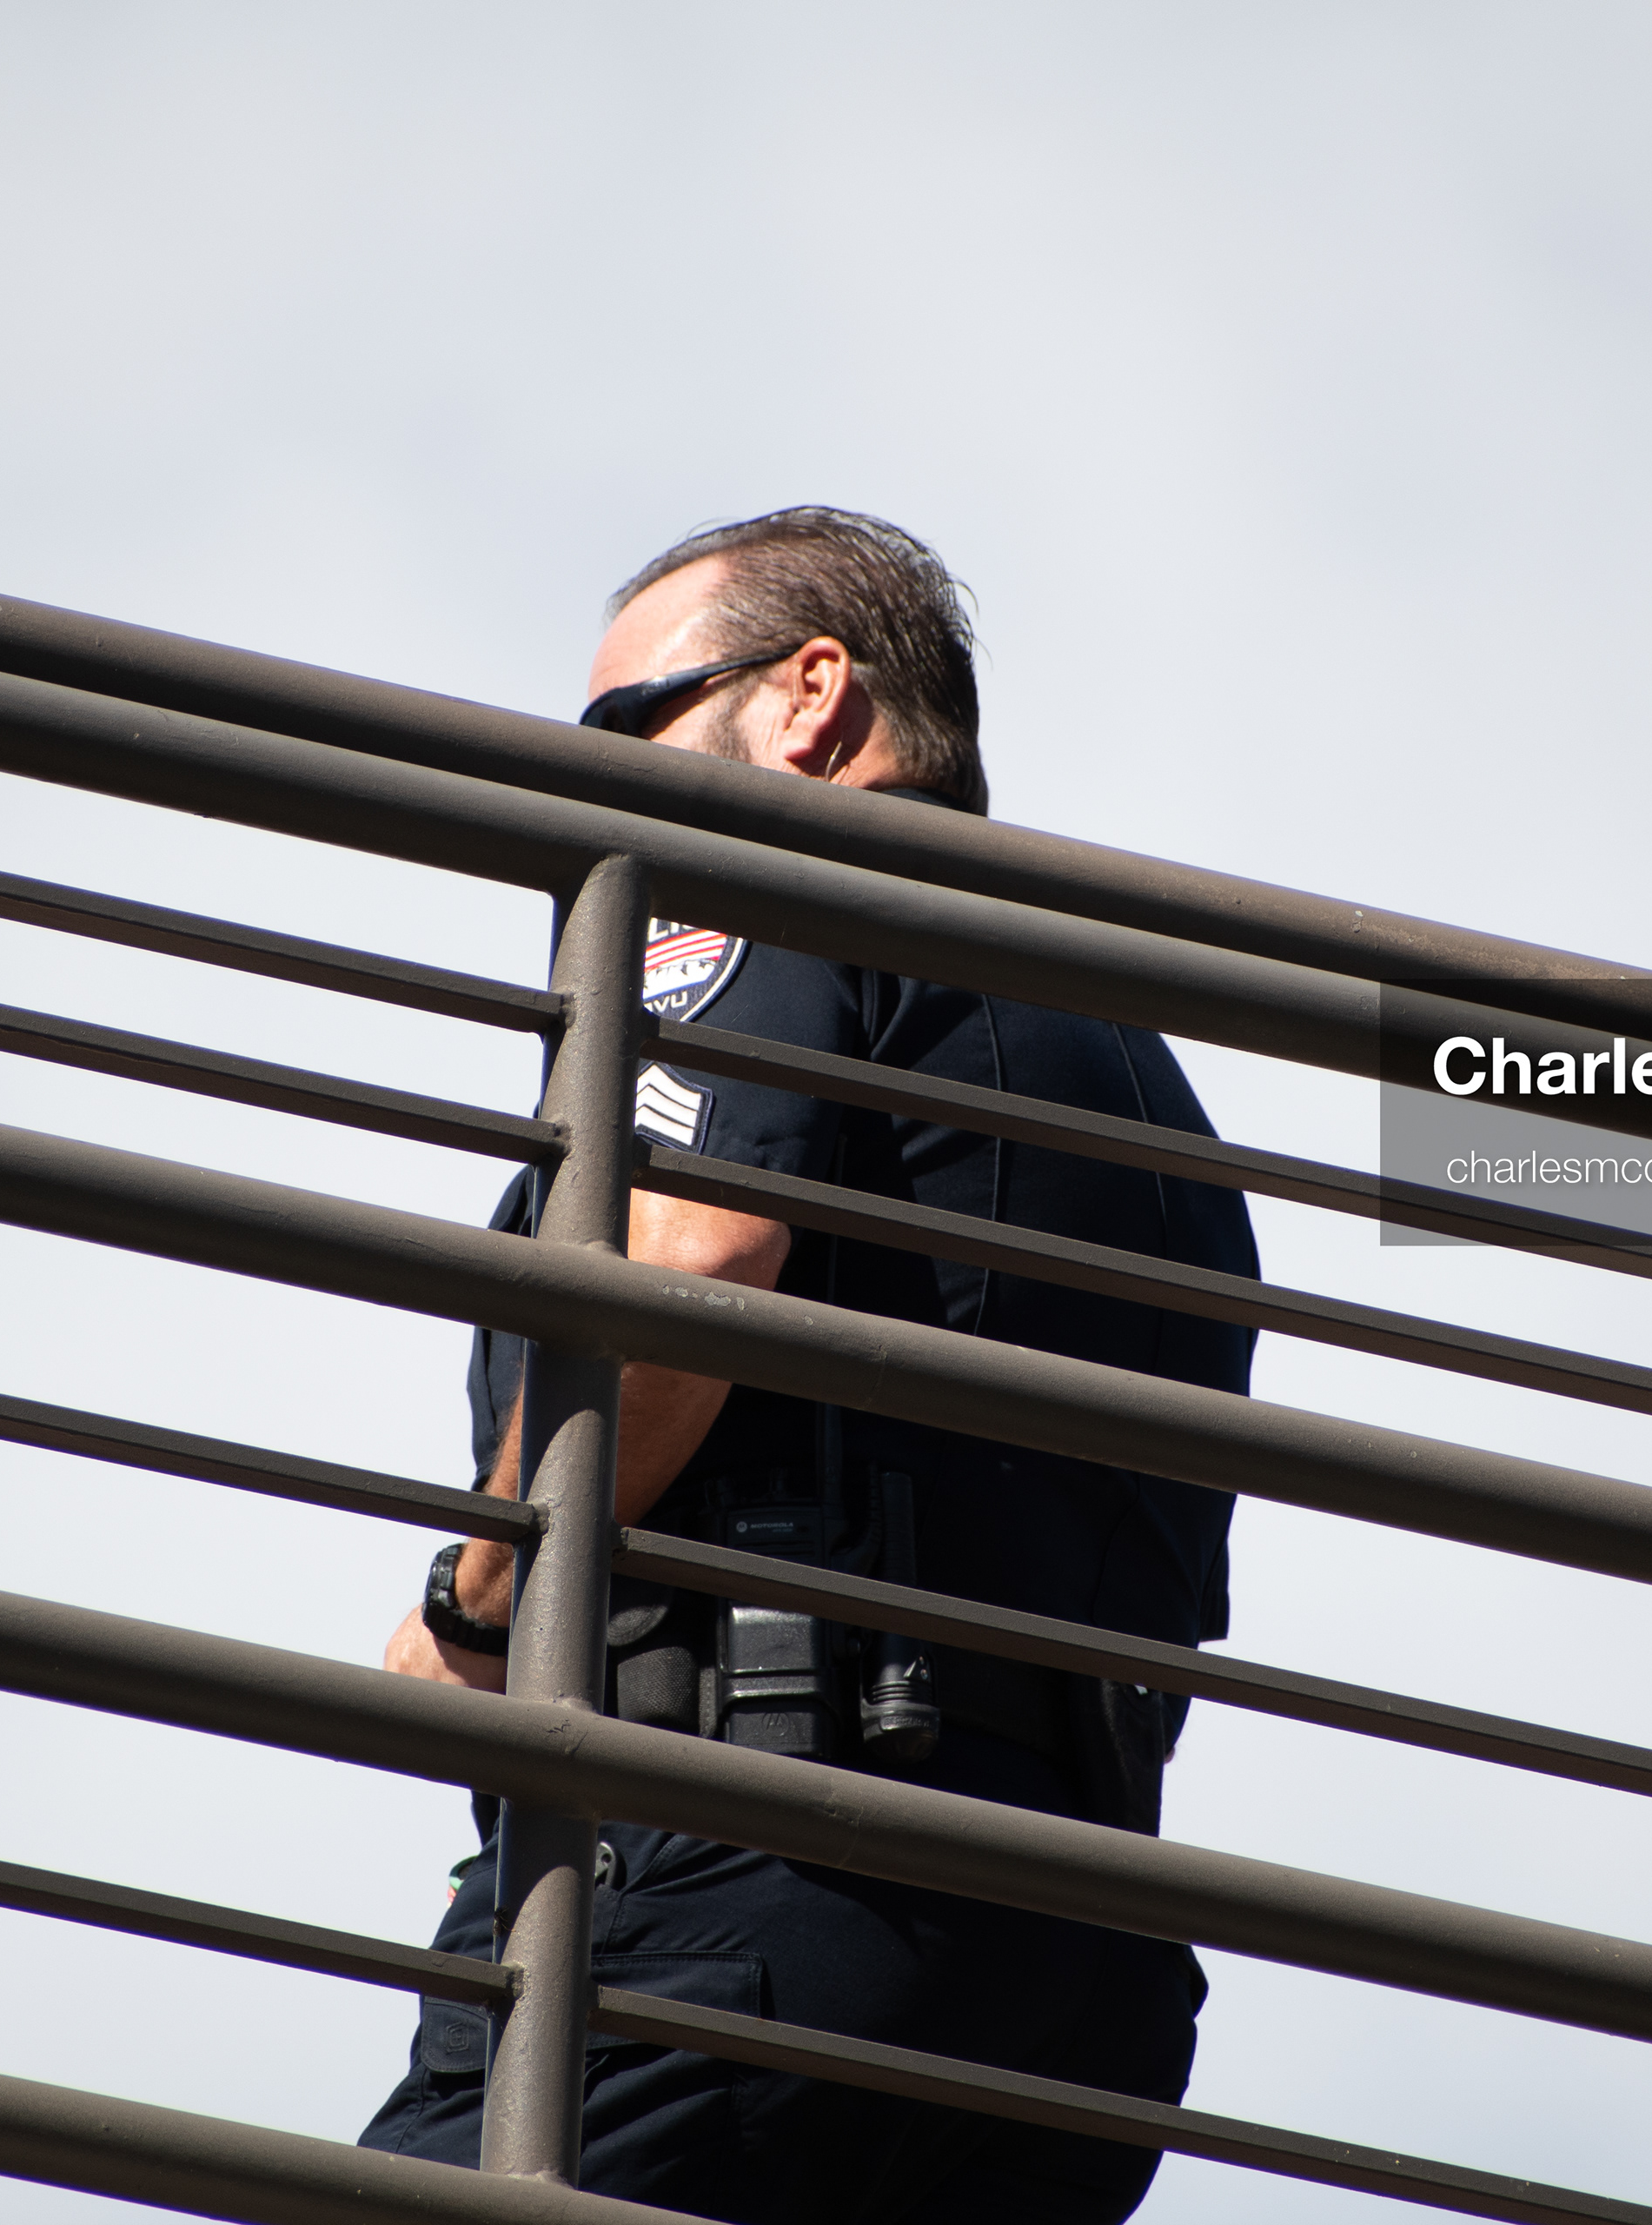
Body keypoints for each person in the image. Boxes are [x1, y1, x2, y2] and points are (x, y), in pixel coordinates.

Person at [359, 509, 1258, 2222]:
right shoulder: (1135, 1063)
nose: (588, 795)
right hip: (1076, 1971)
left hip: (736, 1871)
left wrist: (480, 1599)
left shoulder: (746, 888)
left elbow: (686, 1267)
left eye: (621, 731)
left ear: (809, 700)